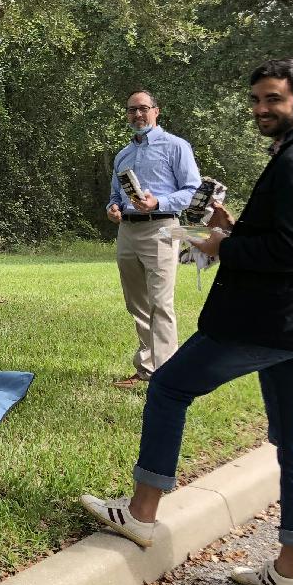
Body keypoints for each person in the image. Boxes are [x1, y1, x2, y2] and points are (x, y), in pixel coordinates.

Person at [81, 59, 293, 585]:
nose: (261, 109)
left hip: (269, 318)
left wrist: (221, 246)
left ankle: (140, 515)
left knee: (168, 386)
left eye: (273, 99)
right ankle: (292, 570)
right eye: (256, 99)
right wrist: (235, 225)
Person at [105, 89, 200, 388]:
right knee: (137, 304)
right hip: (128, 232)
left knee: (160, 303)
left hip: (161, 228)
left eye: (143, 109)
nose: (137, 115)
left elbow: (192, 190)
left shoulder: (176, 147)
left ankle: (169, 378)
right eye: (132, 110)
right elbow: (113, 196)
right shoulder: (123, 155)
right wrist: (113, 208)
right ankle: (147, 369)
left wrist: (158, 203)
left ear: (156, 111)